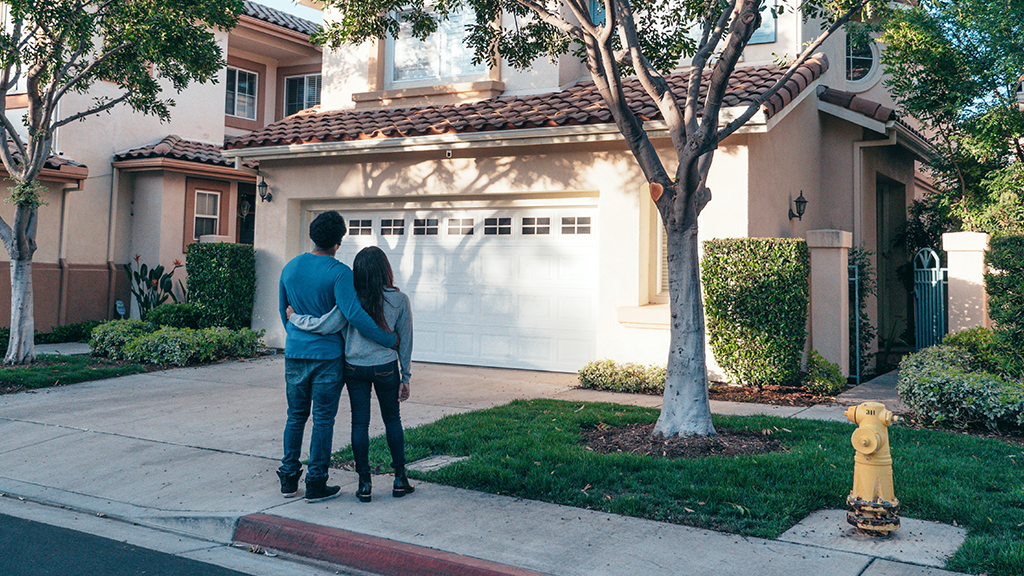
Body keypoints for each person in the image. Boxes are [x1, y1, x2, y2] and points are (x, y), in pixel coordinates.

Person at [277, 212, 398, 503]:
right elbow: (355, 315)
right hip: (328, 357)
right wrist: (387, 339)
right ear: (338, 241)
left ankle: (288, 478)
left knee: (295, 417)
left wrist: (298, 339)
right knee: (322, 420)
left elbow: (285, 313)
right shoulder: (340, 273)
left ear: (312, 236)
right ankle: (316, 482)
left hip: (295, 353)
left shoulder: (290, 268)